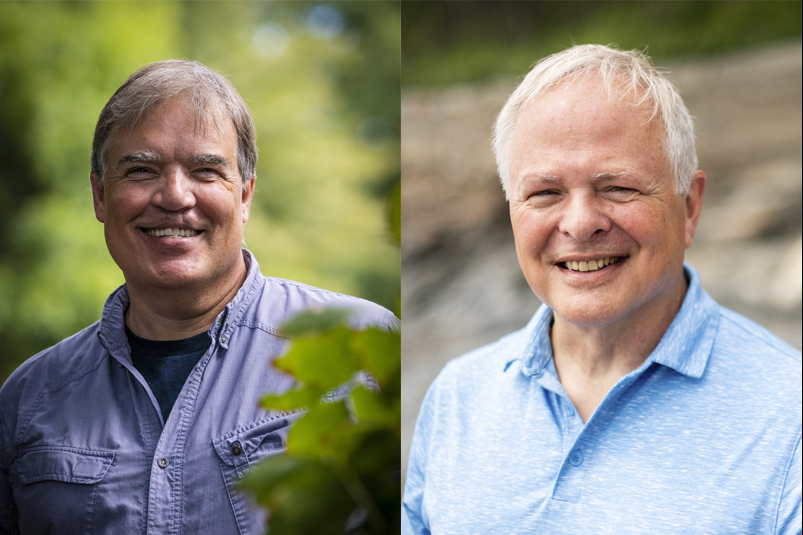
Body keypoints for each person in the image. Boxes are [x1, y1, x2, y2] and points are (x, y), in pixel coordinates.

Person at [402, 44, 801, 534]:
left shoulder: (790, 414)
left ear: (690, 206)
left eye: (618, 187)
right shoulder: (457, 397)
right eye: (545, 193)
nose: (580, 223)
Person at [0, 60, 397, 535]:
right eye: (141, 170)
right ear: (100, 195)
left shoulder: (365, 346)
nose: (174, 196)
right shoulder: (29, 398)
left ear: (245, 196)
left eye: (205, 171)